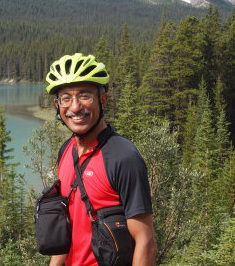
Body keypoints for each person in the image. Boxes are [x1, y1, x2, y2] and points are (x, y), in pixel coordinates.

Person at [45, 53, 156, 266]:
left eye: (84, 95)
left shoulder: (123, 157)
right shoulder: (66, 151)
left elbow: (145, 241)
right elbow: (66, 230)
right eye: (66, 98)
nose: (75, 107)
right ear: (57, 105)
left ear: (102, 99)